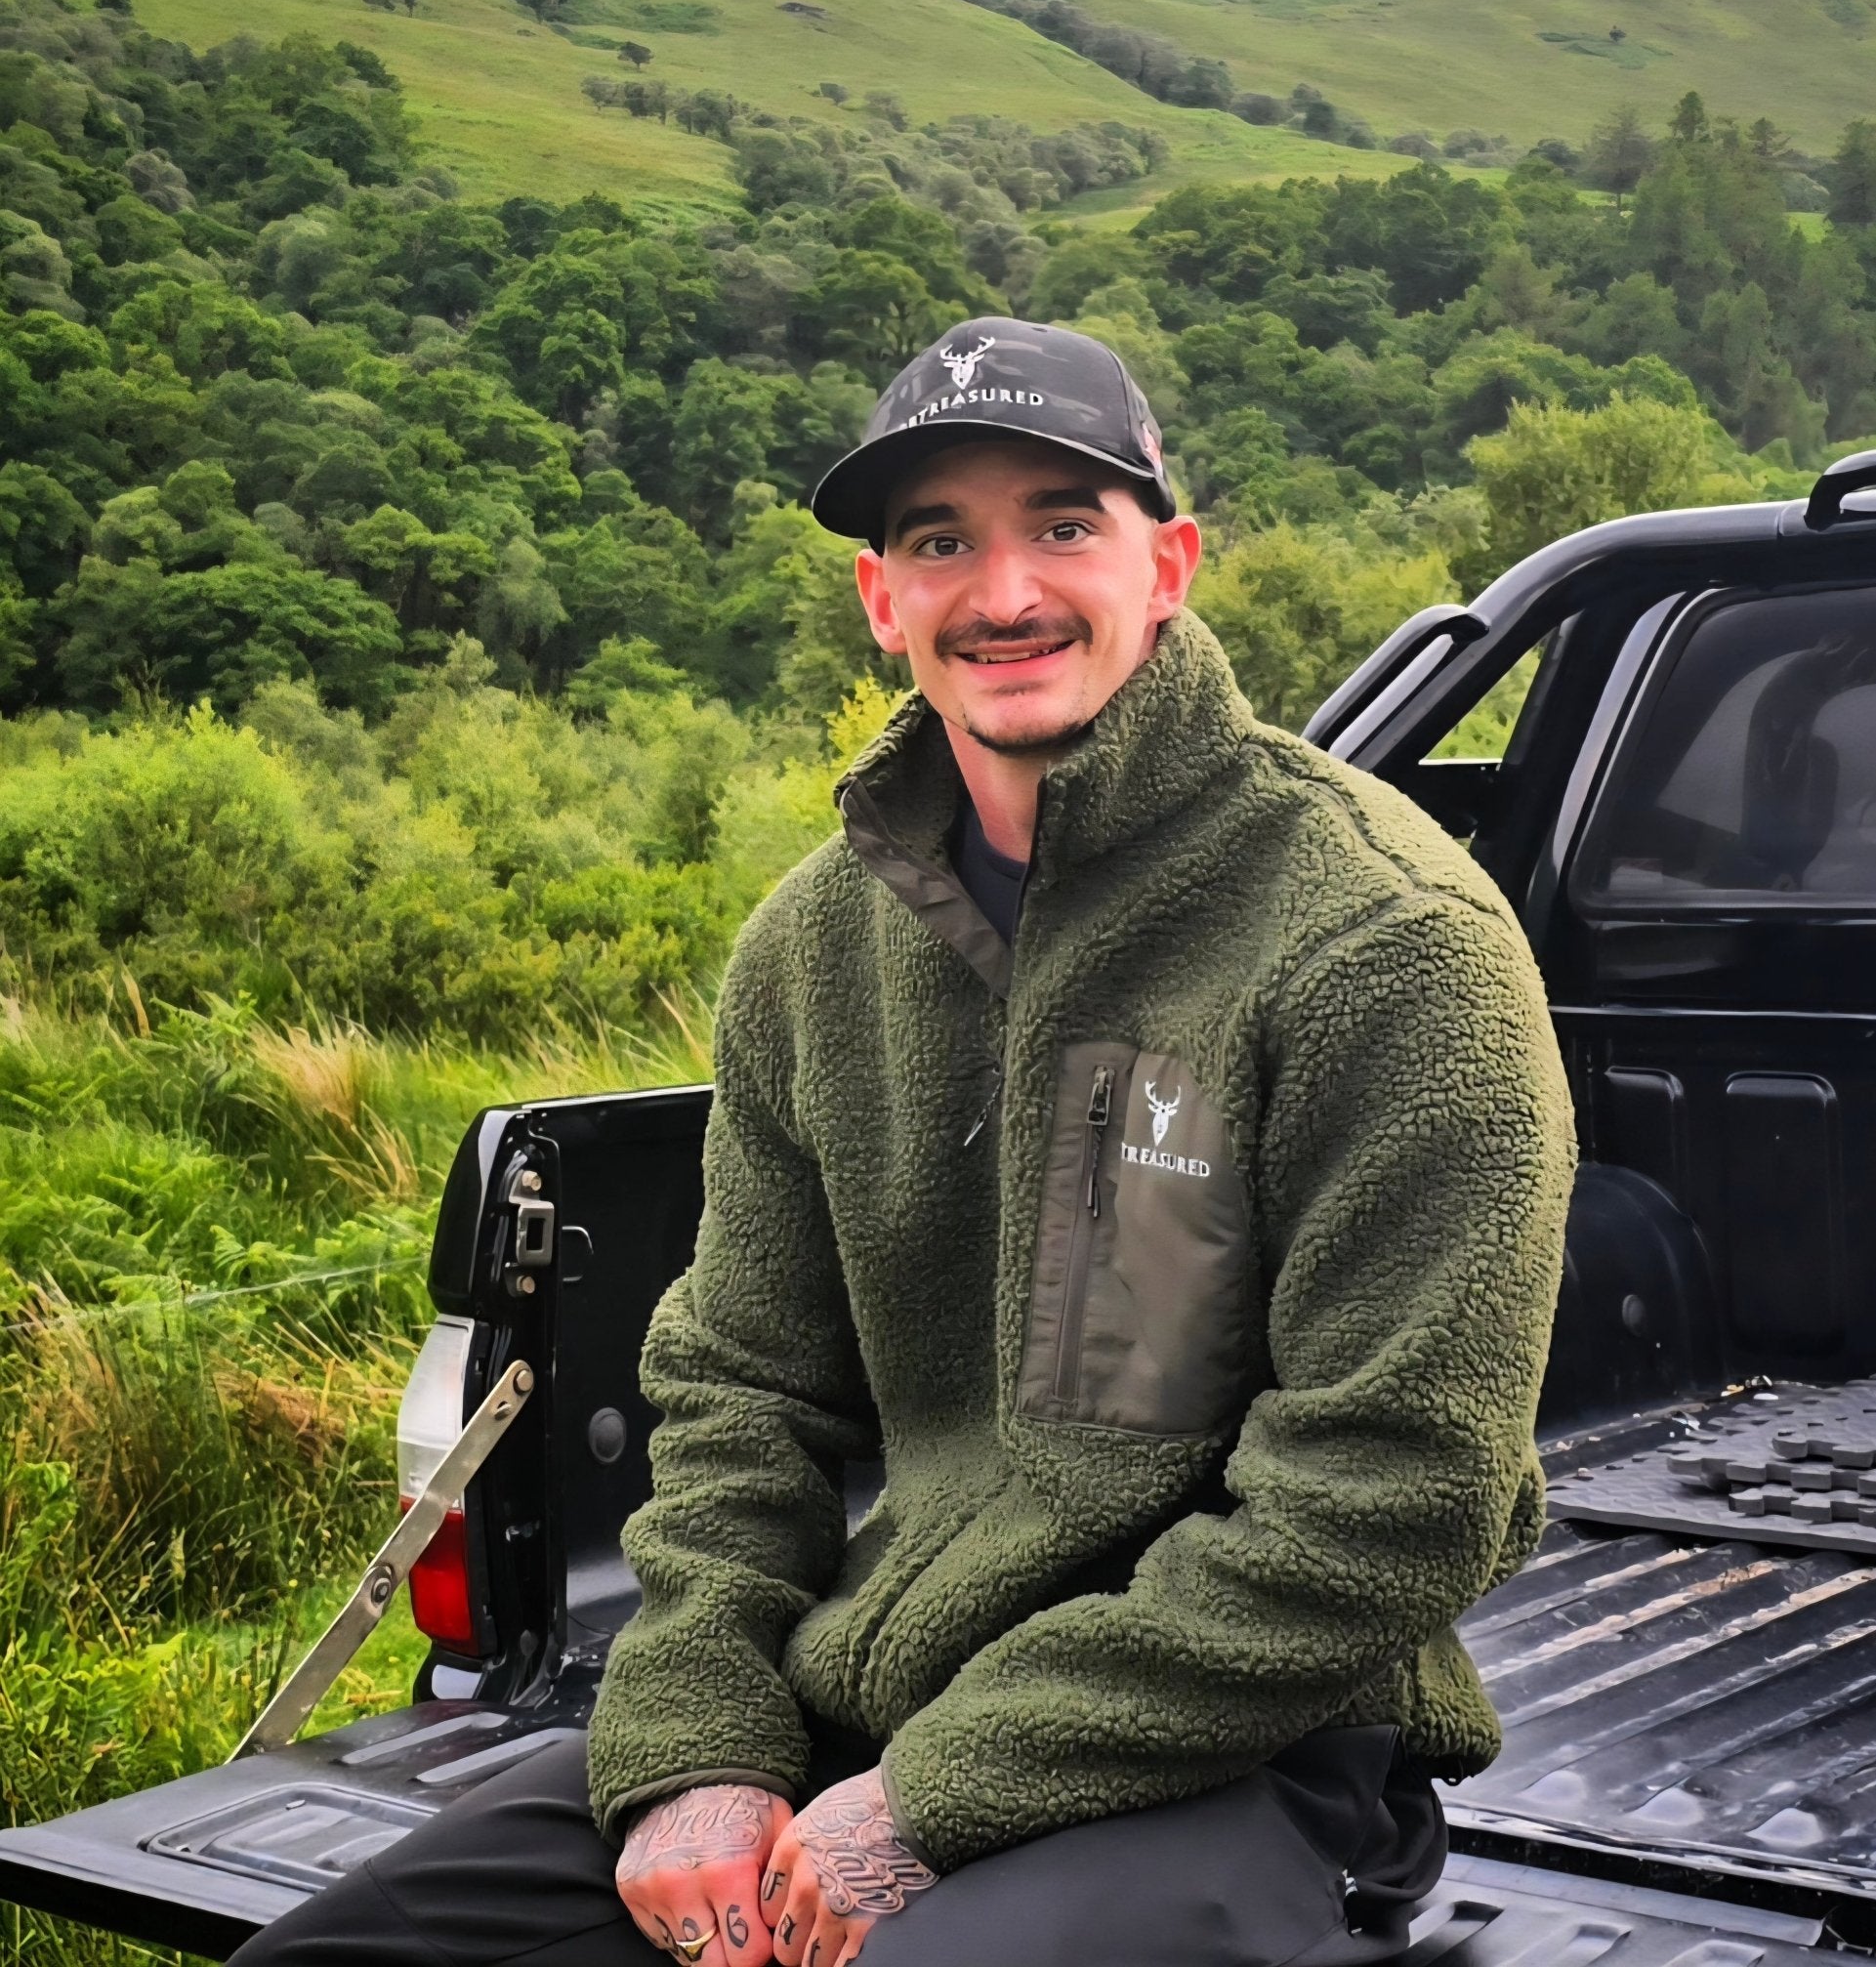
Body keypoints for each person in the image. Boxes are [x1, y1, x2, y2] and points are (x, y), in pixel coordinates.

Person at [229, 317, 1575, 1967]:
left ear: (1170, 562)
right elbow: (742, 1391)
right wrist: (700, 1749)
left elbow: (1399, 1501)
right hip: (870, 1678)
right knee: (340, 1958)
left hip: (1251, 1744)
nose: (1002, 592)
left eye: (1062, 526)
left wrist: (935, 1798)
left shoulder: (1383, 941)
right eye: (941, 540)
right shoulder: (816, 947)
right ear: (884, 602)